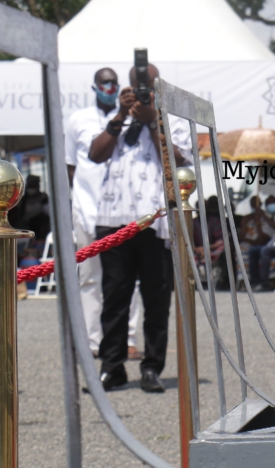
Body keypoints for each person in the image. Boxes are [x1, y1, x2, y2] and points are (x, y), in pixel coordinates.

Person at [90, 63, 191, 393]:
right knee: (115, 296)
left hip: (155, 220)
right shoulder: (117, 118)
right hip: (113, 218)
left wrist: (152, 122)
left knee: (156, 297)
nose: (143, 92)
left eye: (147, 86)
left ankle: (152, 367)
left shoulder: (171, 118)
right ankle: (112, 367)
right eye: (137, 87)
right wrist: (121, 115)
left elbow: (179, 160)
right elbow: (96, 154)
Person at [64, 68, 141, 358]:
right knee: (91, 277)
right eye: (104, 83)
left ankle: (128, 339)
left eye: (113, 83)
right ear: (94, 86)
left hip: (123, 210)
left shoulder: (133, 117)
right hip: (87, 209)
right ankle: (94, 342)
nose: (109, 87)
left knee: (126, 278)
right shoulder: (78, 120)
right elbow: (71, 166)